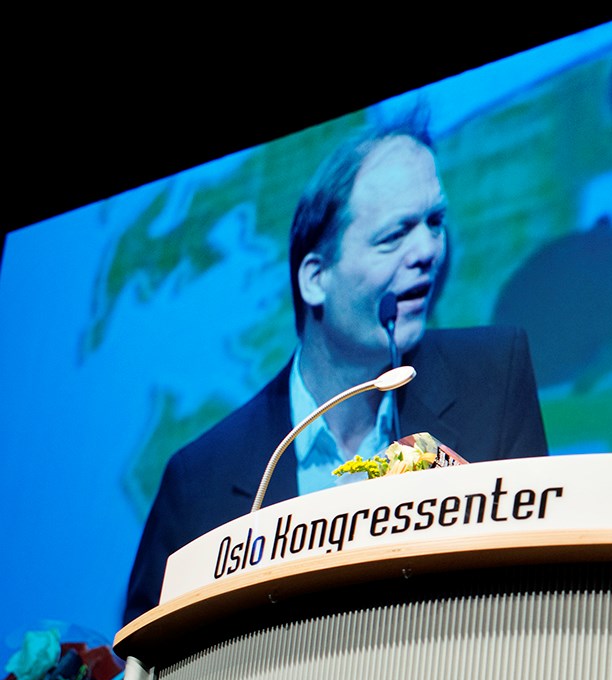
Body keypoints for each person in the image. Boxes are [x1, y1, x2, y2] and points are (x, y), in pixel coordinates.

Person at [124, 116, 548, 622]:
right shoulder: (199, 482)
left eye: (435, 223)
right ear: (316, 279)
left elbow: (535, 587)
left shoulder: (493, 378)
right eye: (395, 235)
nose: (429, 251)